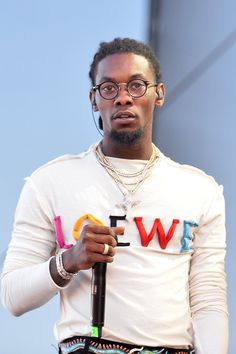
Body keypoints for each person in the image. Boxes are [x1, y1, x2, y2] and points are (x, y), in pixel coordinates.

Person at [1, 38, 228, 354]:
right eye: (108, 88)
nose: (123, 98)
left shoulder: (199, 189)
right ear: (94, 100)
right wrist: (68, 261)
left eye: (136, 85)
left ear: (158, 94)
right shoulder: (50, 181)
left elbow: (208, 297)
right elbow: (12, 297)